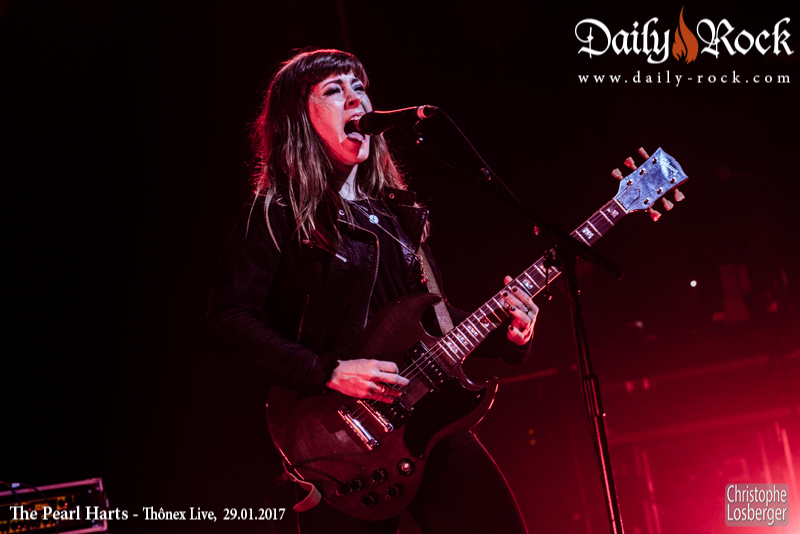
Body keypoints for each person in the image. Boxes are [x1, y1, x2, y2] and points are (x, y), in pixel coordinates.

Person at [206, 48, 539, 534]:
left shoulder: (395, 215)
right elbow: (227, 319)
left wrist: (510, 335)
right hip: (335, 439)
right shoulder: (277, 211)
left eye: (359, 87)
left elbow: (435, 323)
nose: (355, 100)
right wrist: (329, 371)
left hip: (427, 422)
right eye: (333, 90)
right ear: (299, 119)